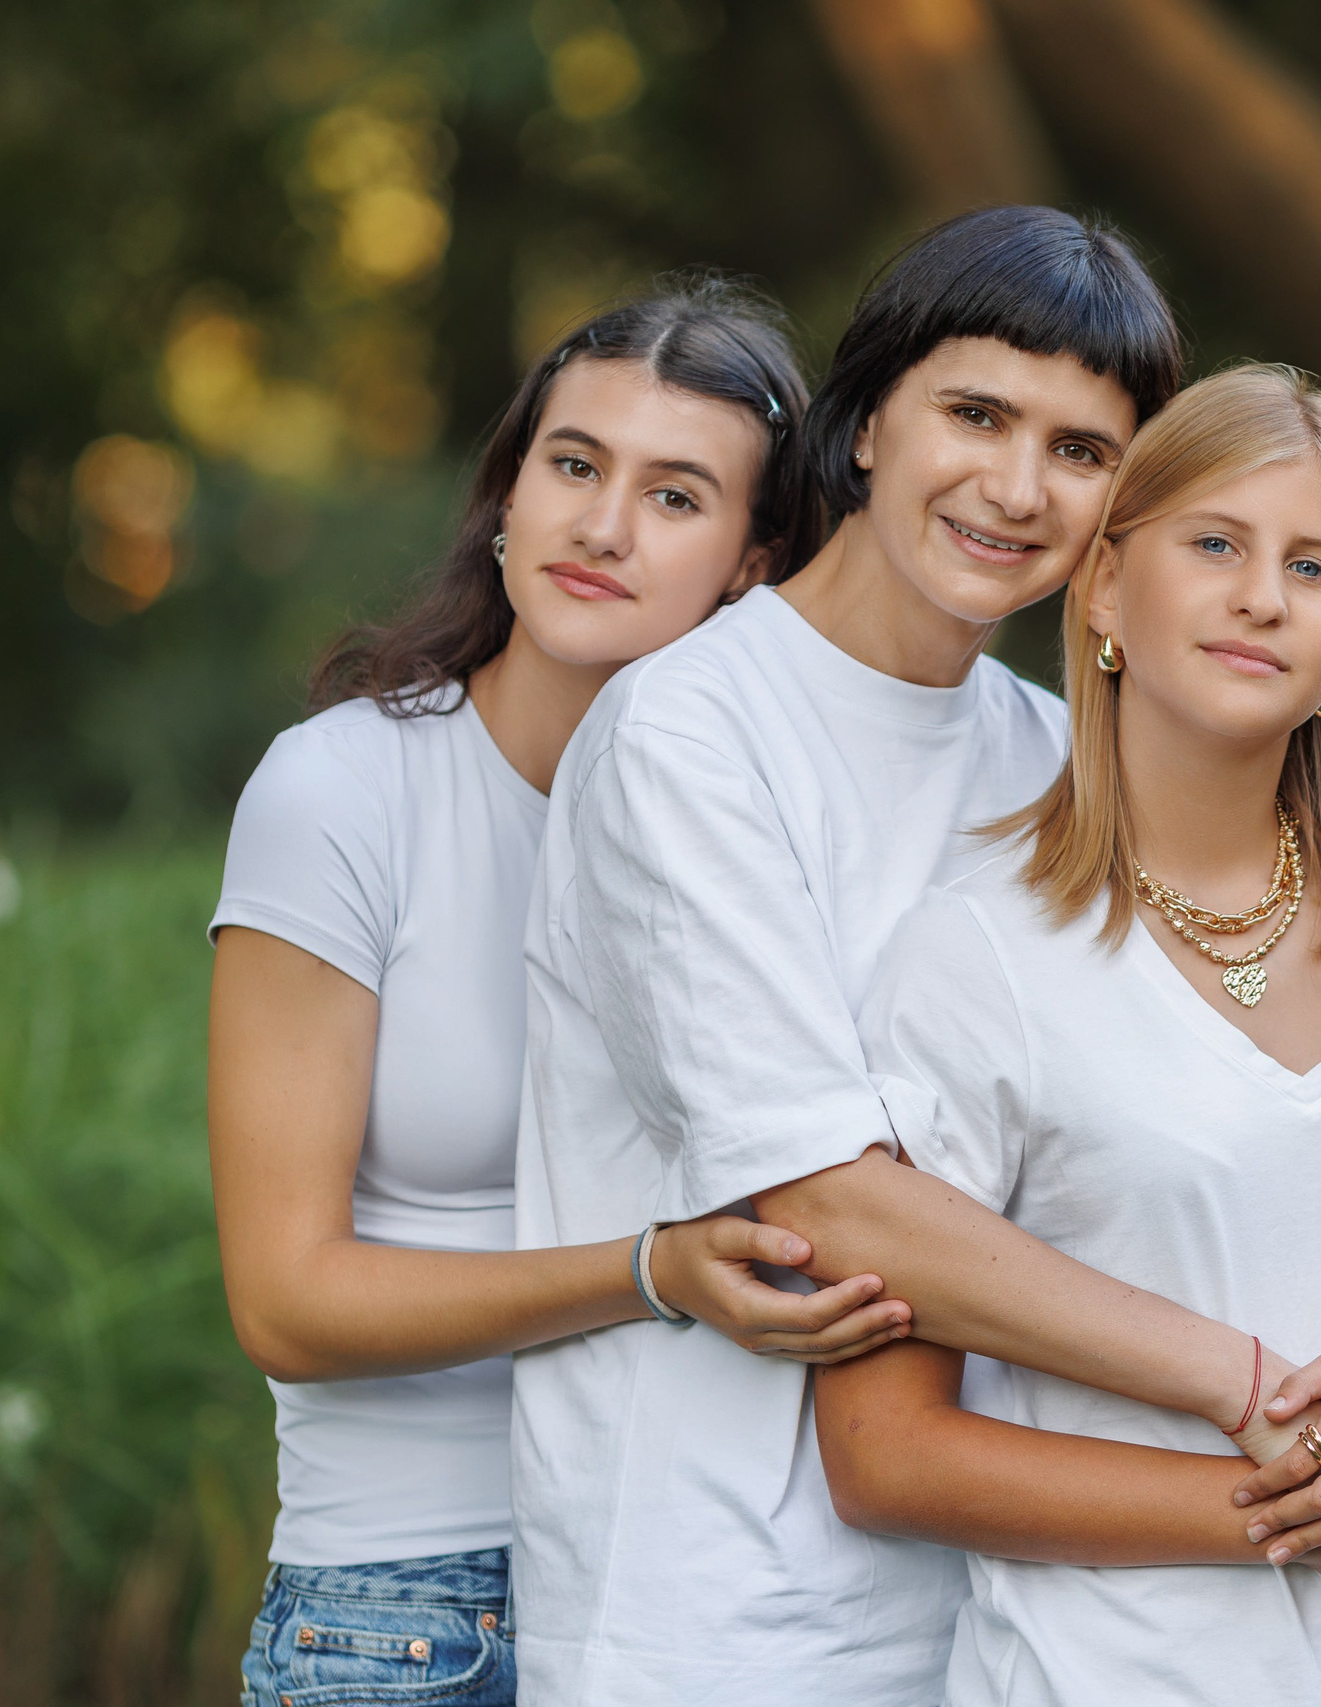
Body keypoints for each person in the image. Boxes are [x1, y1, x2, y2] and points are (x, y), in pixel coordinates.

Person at [512, 208, 1321, 1706]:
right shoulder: (690, 736)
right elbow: (824, 1199)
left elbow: (1233, 1098)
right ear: (867, 425)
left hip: (1015, 1612)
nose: (1016, 486)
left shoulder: (1055, 760)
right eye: (978, 415)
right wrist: (1268, 1404)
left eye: (1081, 451)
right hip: (720, 1603)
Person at [815, 362, 1321, 1704]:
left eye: (1313, 565)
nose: (1261, 595)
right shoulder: (976, 957)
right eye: (1216, 544)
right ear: (1107, 588)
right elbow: (887, 1457)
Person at [207, 282, 902, 1707]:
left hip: (709, 1588)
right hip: (416, 1604)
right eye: (575, 466)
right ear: (508, 496)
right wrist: (650, 1272)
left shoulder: (800, 828)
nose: (603, 525)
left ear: (755, 563)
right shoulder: (345, 791)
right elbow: (285, 1298)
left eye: (676, 495)